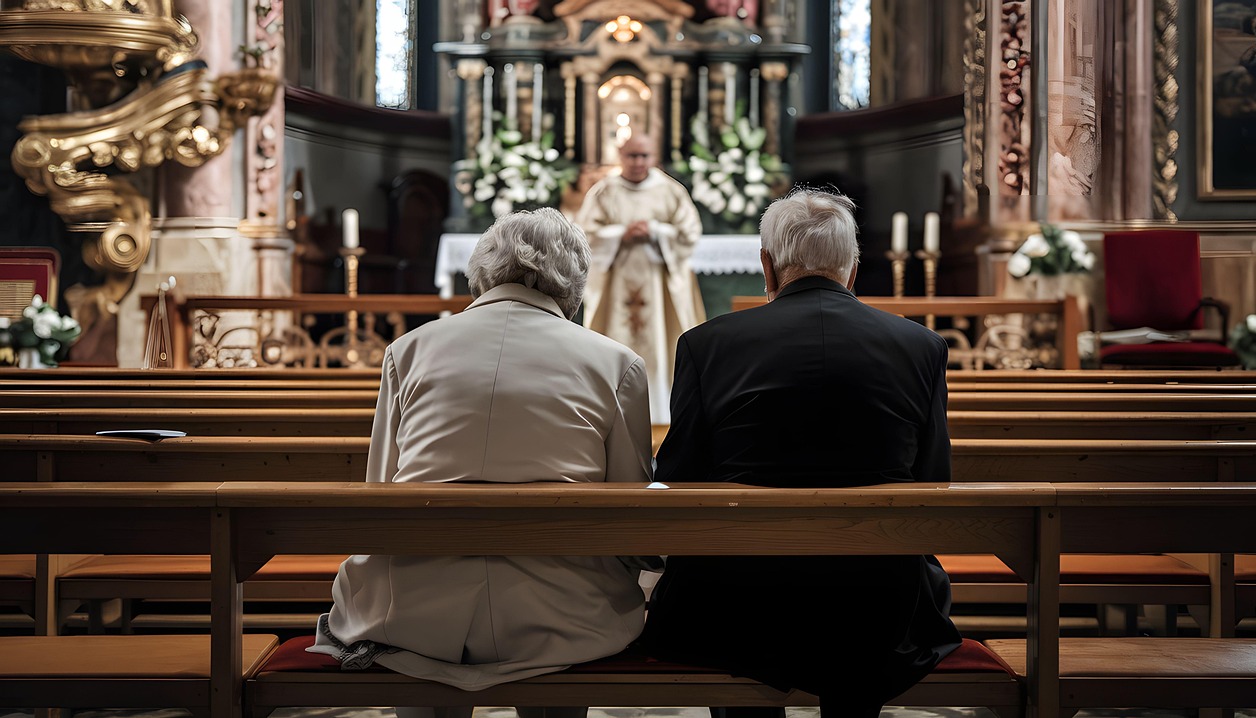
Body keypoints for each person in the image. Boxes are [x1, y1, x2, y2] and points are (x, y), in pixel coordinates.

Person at [309, 207, 656, 718]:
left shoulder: (408, 350)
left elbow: (380, 489)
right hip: (566, 611)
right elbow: (631, 519)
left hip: (414, 608)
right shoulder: (615, 363)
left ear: (483, 269)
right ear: (574, 280)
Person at [636, 188, 962, 718]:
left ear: (767, 265)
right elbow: (932, 483)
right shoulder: (922, 347)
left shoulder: (706, 344)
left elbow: (679, 480)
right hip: (880, 607)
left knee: (725, 634)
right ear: (852, 269)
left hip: (732, 604)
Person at [576, 132, 706, 424]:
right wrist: (621, 233)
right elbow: (583, 234)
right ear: (620, 155)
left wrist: (657, 232)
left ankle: (663, 412)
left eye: (644, 156)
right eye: (632, 155)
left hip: (659, 284)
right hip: (617, 281)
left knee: (663, 345)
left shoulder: (671, 190)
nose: (638, 162)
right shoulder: (604, 191)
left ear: (653, 157)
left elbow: (689, 233)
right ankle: (611, 411)